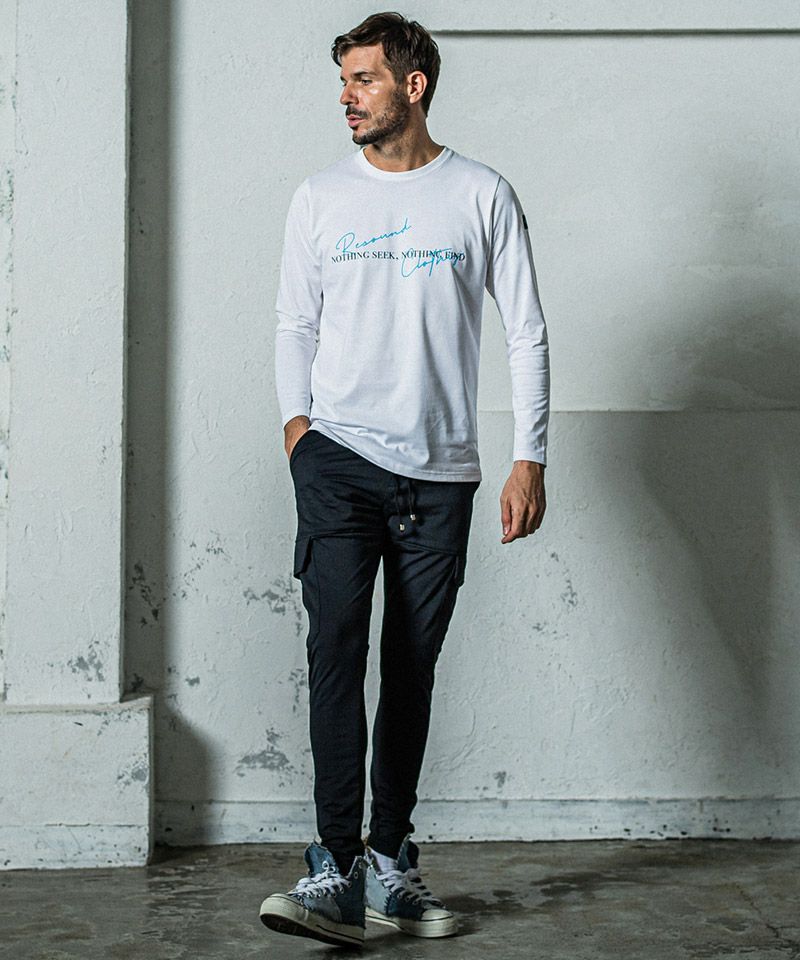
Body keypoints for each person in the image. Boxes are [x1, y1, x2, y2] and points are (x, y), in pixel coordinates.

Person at [259, 11, 549, 948]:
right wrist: (299, 431)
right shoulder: (319, 197)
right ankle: (333, 868)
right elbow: (294, 324)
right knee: (335, 655)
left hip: (441, 475)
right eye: (343, 82)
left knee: (411, 669)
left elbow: (525, 331)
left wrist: (529, 456)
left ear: (412, 86)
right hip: (337, 460)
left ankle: (390, 862)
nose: (347, 98)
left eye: (364, 80)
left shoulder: (480, 194)